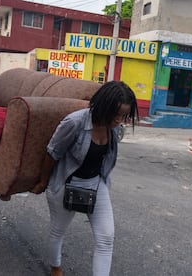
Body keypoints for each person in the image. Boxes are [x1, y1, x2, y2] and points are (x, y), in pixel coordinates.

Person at [31, 81, 138, 276]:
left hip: (97, 183)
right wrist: (43, 182)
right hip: (66, 182)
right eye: (116, 114)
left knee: (106, 237)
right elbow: (52, 153)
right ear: (104, 107)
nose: (119, 120)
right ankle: (55, 267)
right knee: (58, 231)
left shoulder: (113, 129)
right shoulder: (75, 122)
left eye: (124, 115)